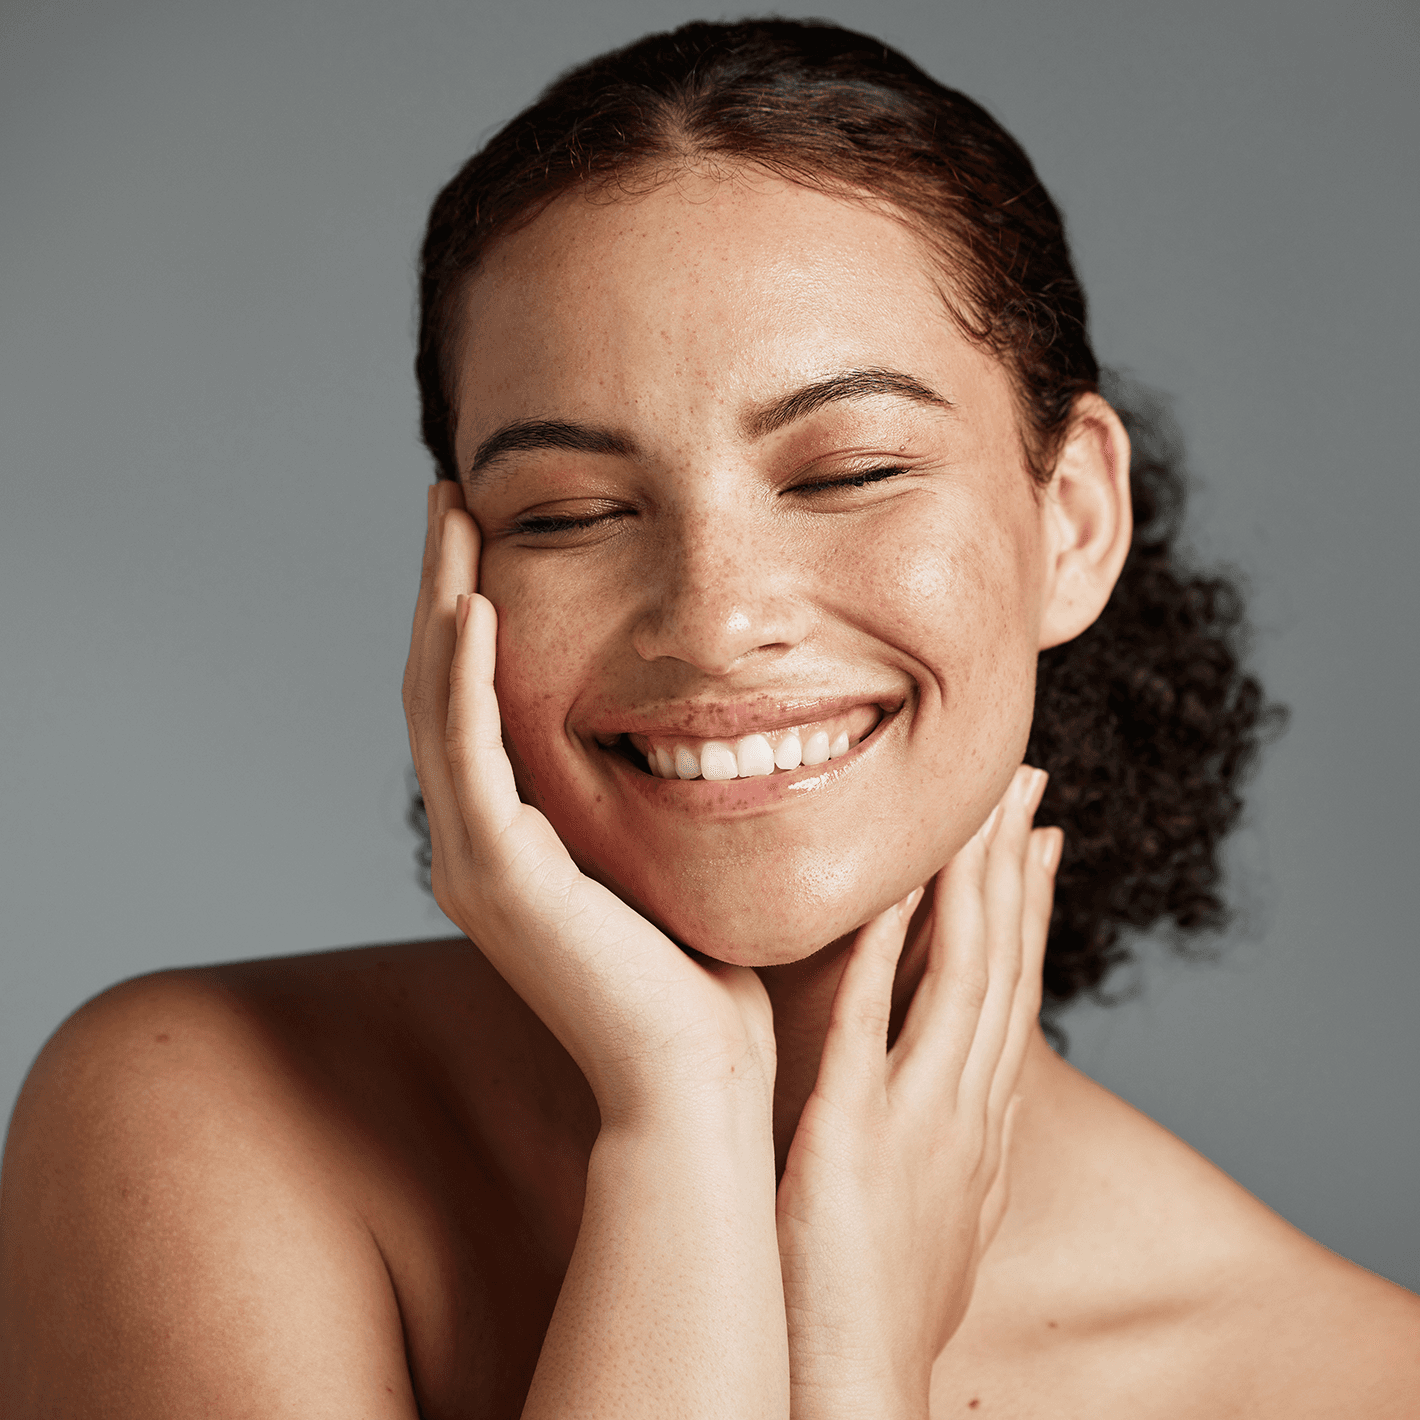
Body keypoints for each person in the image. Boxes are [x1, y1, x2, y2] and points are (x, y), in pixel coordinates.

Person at [1, 18, 1415, 1418]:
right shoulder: (198, 1122)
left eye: (849, 470)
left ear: (1075, 519)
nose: (713, 617)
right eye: (568, 513)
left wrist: (852, 1379)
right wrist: (679, 1121)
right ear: (459, 576)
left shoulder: (1357, 1382)